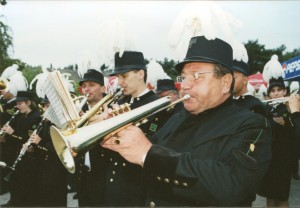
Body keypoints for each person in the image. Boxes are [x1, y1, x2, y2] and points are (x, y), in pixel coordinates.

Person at [100, 36, 272, 206]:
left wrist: (147, 153)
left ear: (226, 82)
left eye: (196, 76)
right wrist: (119, 136)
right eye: (183, 77)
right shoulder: (178, 117)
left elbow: (234, 184)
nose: (185, 86)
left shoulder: (252, 124)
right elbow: (147, 156)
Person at [86, 51, 163, 206]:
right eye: (119, 77)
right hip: (111, 185)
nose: (119, 82)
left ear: (140, 74)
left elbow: (156, 147)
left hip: (137, 187)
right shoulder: (120, 103)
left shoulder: (159, 105)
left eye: (124, 76)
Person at [1, 90, 42, 207]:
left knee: (24, 181)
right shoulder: (20, 116)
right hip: (16, 151)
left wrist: (12, 132)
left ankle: (21, 202)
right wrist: (5, 134)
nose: (17, 107)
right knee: (15, 178)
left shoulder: (36, 117)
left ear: (28, 102)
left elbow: (28, 139)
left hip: (29, 156)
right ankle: (14, 200)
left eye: (19, 104)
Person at [258, 77, 295, 207]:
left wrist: (286, 123)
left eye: (279, 89)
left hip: (284, 158)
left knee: (282, 196)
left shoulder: (290, 107)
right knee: (270, 196)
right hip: (268, 158)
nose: (276, 93)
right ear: (269, 94)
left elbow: (295, 129)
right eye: (273, 90)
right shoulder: (265, 109)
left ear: (285, 91)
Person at [74, 69, 107, 206]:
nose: (86, 89)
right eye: (84, 85)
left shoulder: (110, 108)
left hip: (104, 174)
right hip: (83, 174)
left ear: (103, 88)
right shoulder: (80, 110)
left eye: (92, 85)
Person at [28, 97, 69, 207]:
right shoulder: (45, 123)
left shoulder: (61, 124)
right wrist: (32, 148)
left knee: (55, 199)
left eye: (47, 106)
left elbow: (61, 147)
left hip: (56, 168)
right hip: (44, 166)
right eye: (44, 106)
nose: (44, 109)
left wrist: (39, 143)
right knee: (44, 197)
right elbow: (40, 144)